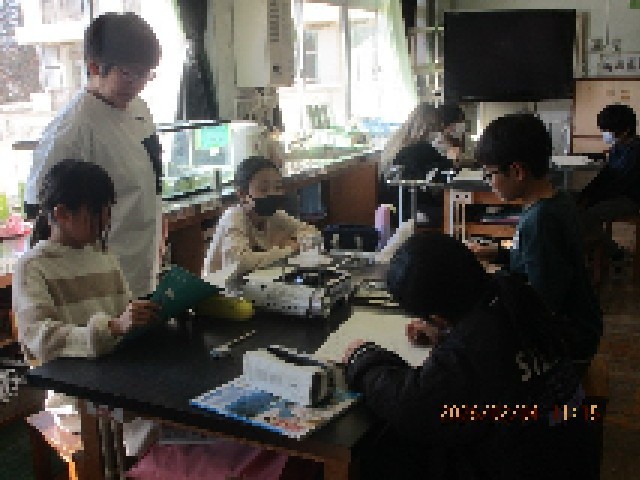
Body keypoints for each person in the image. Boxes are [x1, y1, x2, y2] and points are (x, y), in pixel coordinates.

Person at [342, 232, 594, 480]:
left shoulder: (471, 347)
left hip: (526, 463)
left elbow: (412, 404)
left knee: (387, 450)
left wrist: (362, 356)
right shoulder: (513, 293)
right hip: (571, 449)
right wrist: (448, 335)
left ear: (438, 317)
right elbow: (497, 358)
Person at [13, 159, 159, 438]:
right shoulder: (33, 266)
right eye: (97, 212)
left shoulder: (103, 256)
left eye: (108, 210)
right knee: (154, 426)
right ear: (62, 213)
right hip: (74, 396)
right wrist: (112, 327)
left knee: (172, 410)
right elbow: (39, 338)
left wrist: (142, 316)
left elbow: (123, 315)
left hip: (117, 379)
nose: (106, 221)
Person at [25, 12, 163, 299]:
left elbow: (148, 186)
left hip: (142, 267)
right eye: (128, 73)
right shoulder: (72, 130)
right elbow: (41, 215)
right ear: (94, 67)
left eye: (145, 74)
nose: (137, 83)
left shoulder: (139, 108)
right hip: (94, 284)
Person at [471, 113, 602, 368]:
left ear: (517, 171)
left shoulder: (541, 220)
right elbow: (541, 262)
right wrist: (496, 253)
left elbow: (541, 301)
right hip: (577, 329)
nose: (489, 183)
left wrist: (491, 281)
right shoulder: (556, 200)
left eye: (489, 174)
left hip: (567, 342)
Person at [204, 156, 318, 276]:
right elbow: (239, 262)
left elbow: (313, 232)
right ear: (242, 194)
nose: (272, 194)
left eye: (278, 187)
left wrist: (294, 240)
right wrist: (289, 249)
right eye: (263, 189)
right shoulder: (234, 217)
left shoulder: (274, 216)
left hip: (256, 279)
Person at [379, 102, 465, 225]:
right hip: (416, 210)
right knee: (466, 209)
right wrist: (452, 160)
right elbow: (444, 178)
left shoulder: (398, 146)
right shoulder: (423, 148)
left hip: (399, 208)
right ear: (431, 127)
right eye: (437, 127)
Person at [578, 104, 640, 256]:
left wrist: (591, 200)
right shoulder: (617, 147)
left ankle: (615, 253)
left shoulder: (636, 152)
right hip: (616, 194)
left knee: (588, 216)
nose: (605, 134)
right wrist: (585, 194)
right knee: (576, 206)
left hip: (631, 199)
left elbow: (619, 184)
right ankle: (591, 251)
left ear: (626, 130)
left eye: (608, 130)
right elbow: (604, 176)